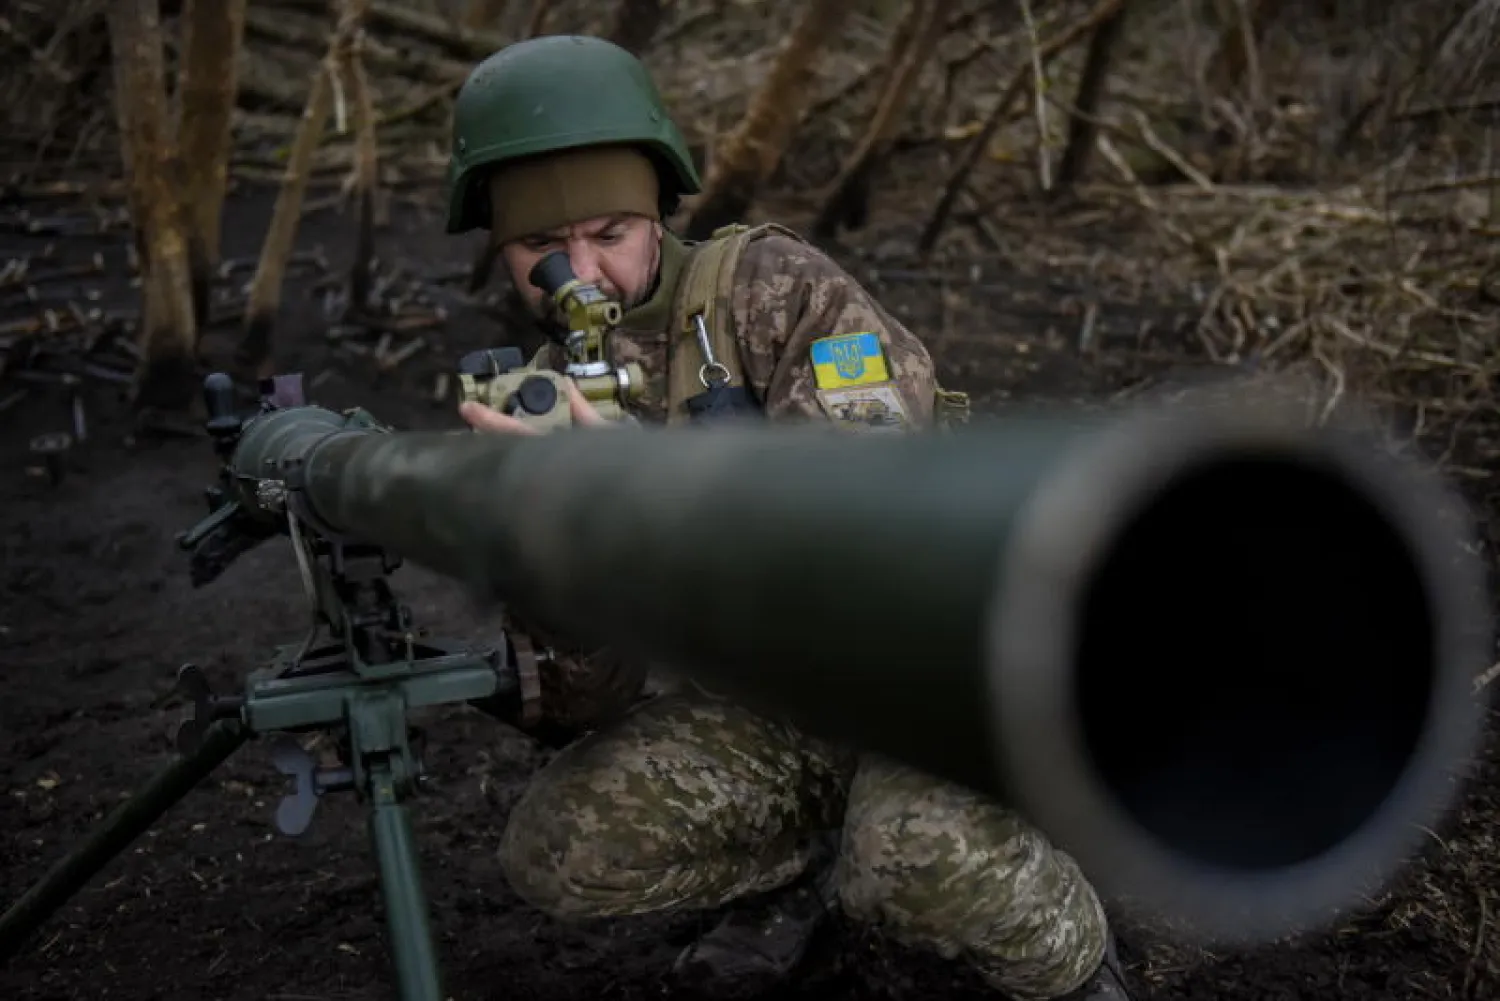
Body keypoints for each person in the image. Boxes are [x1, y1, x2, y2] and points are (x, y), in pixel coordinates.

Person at [443, 34, 1134, 1001]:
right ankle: (804, 870)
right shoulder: (544, 399)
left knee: (914, 860)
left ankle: (1072, 956)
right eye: (541, 250)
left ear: (656, 211)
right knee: (566, 847)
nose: (580, 274)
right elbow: (584, 704)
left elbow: (871, 536)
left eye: (608, 233)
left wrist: (645, 487)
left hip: (936, 676)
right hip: (790, 707)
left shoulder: (769, 291)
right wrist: (539, 552)